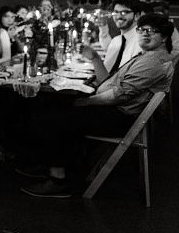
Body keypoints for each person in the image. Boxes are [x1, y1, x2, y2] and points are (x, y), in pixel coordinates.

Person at [20, 13, 175, 198]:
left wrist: (83, 102)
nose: (145, 35)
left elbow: (119, 95)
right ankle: (54, 163)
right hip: (116, 111)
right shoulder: (149, 56)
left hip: (119, 117)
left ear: (164, 37)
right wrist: (94, 59)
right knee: (56, 107)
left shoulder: (154, 61)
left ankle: (57, 181)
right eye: (141, 30)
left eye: (152, 31)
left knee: (46, 118)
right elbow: (110, 84)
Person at [97, 0, 143, 74]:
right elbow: (106, 72)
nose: (118, 16)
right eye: (116, 12)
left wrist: (95, 59)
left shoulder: (140, 43)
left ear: (137, 16)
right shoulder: (117, 40)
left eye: (124, 12)